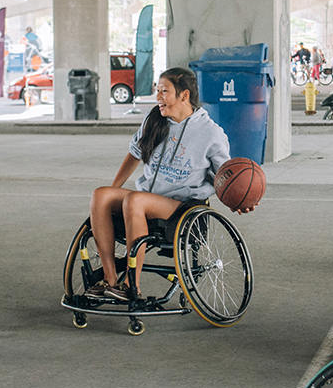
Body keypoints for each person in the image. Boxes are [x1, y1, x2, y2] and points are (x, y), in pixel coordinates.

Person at [84, 67, 253, 302]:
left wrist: (238, 202)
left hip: (181, 207)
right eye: (157, 90)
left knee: (135, 200)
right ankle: (110, 279)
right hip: (147, 199)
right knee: (101, 195)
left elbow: (224, 178)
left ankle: (131, 285)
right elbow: (134, 153)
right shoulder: (154, 119)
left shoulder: (211, 134)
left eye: (164, 91)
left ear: (184, 95)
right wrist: (115, 190)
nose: (158, 97)